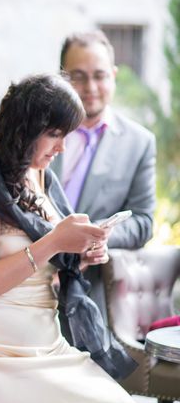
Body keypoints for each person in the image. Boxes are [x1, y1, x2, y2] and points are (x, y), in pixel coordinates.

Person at [0, 74, 148, 403]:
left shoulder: (41, 176)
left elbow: (43, 276)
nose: (62, 148)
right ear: (23, 128)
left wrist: (80, 255)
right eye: (54, 134)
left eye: (66, 135)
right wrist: (54, 241)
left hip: (42, 349)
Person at [51, 30, 156, 322]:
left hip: (90, 292)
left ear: (113, 75)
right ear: (62, 78)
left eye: (99, 75)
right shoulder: (38, 130)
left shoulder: (139, 142)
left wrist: (98, 235)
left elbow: (144, 222)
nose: (90, 87)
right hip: (26, 276)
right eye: (78, 76)